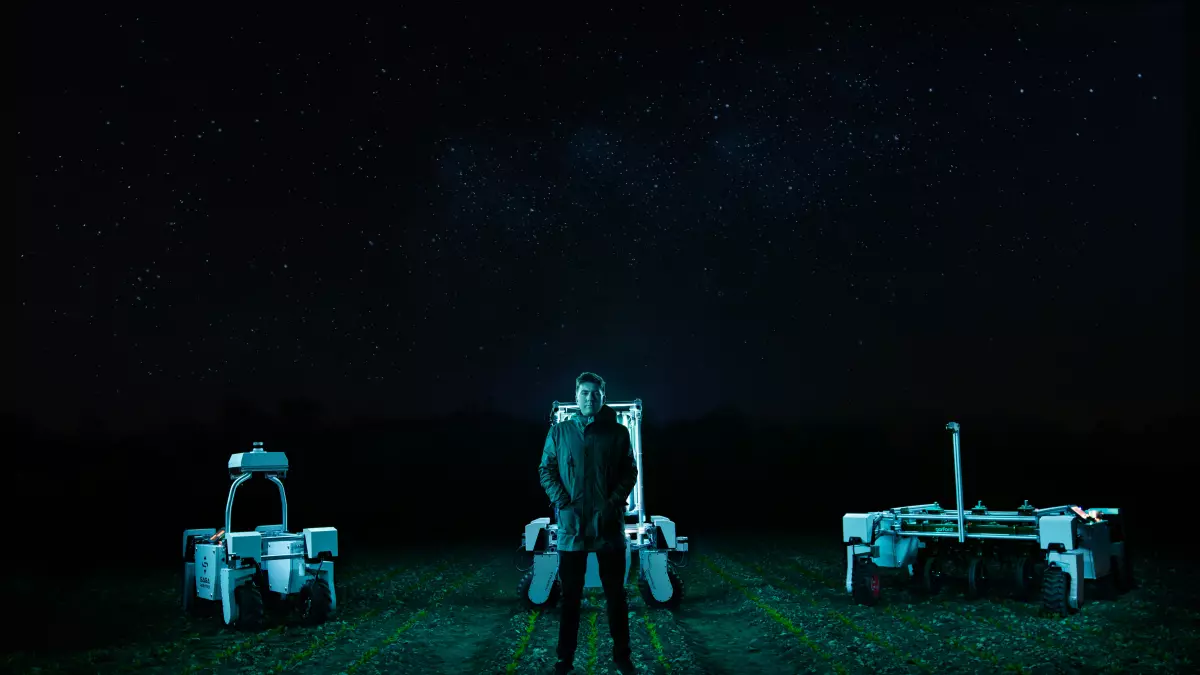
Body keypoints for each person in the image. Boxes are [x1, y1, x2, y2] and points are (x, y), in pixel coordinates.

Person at [538, 372, 639, 675]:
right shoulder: (560, 433)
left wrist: (612, 504)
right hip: (572, 531)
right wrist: (564, 503)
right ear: (576, 395)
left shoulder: (619, 433)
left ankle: (622, 657)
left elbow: (629, 472)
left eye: (595, 393)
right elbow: (546, 470)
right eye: (584, 392)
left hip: (608, 529)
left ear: (603, 396)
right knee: (570, 598)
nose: (589, 398)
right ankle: (564, 660)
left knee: (615, 597)